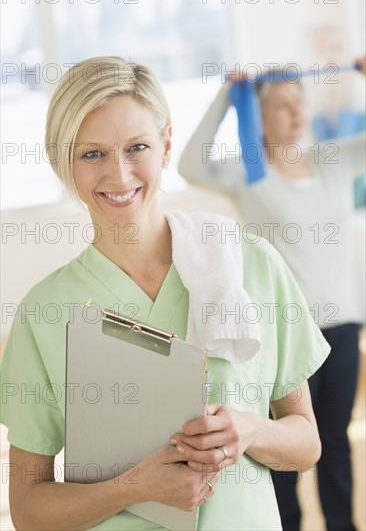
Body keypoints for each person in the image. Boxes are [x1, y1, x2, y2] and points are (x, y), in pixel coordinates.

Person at [1, 56, 331, 531]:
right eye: (91, 153)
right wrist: (133, 488)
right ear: (63, 163)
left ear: (166, 146)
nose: (119, 175)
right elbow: (29, 511)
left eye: (136, 147)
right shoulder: (46, 312)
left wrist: (250, 429)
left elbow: (306, 446)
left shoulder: (250, 265)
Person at [178, 58, 366, 531]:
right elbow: (188, 162)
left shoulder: (332, 161)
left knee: (335, 443)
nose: (294, 111)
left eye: (298, 101)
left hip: (342, 327)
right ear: (259, 116)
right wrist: (228, 94)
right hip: (283, 338)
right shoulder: (249, 172)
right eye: (280, 104)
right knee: (282, 446)